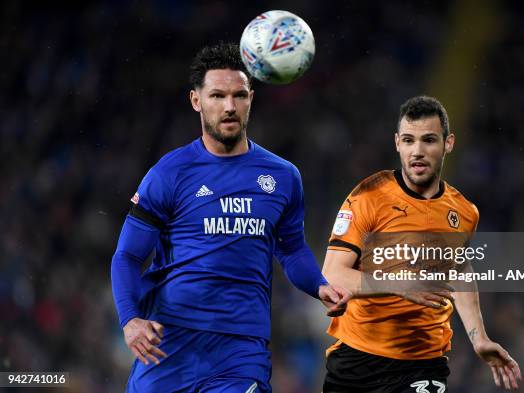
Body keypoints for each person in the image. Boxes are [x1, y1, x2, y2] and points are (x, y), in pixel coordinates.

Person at [110, 42, 349, 393]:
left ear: (251, 98)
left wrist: (319, 285)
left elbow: (292, 249)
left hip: (240, 351)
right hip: (168, 344)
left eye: (239, 96)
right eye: (218, 96)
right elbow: (127, 256)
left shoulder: (282, 177)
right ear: (196, 100)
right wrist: (130, 320)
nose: (229, 106)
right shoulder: (169, 174)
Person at [321, 96, 522, 392]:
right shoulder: (368, 196)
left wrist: (479, 337)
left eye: (428, 140)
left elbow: (458, 270)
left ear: (448, 143)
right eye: (408, 140)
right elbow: (333, 275)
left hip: (424, 363)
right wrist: (402, 285)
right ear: (397, 143)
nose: (417, 151)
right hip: (357, 359)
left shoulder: (465, 212)